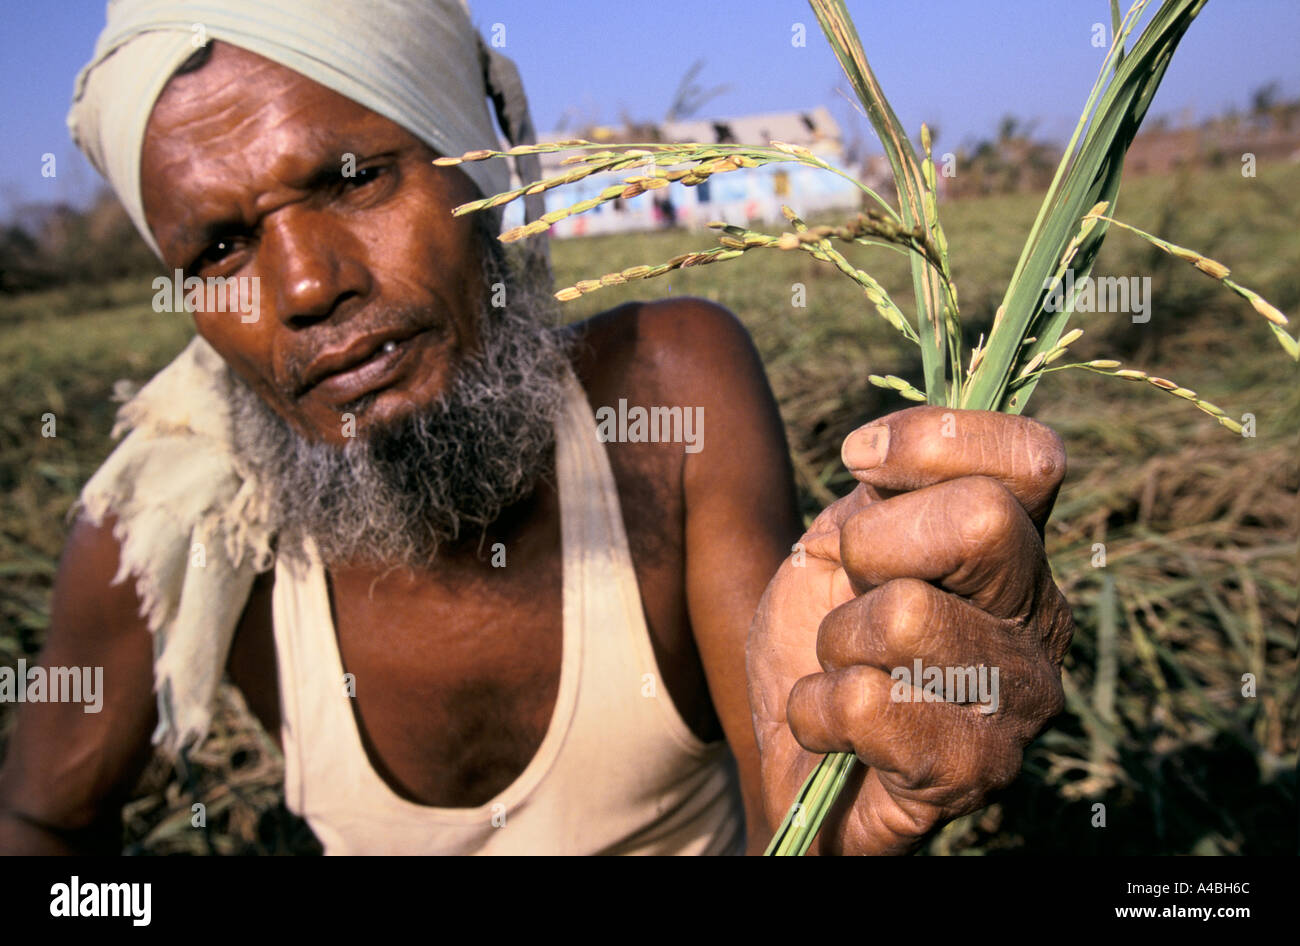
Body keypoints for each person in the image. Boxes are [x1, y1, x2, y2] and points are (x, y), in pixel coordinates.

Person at [0, 0, 1072, 855]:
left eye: (355, 178)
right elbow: (44, 825)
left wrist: (827, 825)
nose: (303, 285)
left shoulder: (670, 391)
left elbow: (783, 806)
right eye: (220, 250)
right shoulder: (169, 534)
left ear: (485, 160)